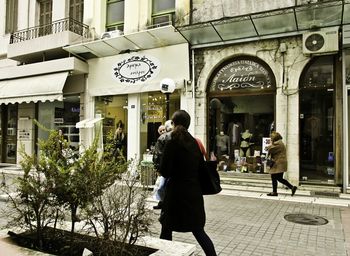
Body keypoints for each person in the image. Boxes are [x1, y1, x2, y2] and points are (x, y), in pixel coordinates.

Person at [159, 110, 217, 256]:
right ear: (188, 124)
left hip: (175, 194)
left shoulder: (171, 142)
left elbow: (165, 171)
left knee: (166, 229)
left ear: (173, 123)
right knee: (198, 230)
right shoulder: (194, 143)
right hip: (193, 192)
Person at [266, 131, 297, 197]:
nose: (271, 138)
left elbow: (270, 149)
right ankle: (291, 188)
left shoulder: (278, 144)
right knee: (278, 178)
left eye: (271, 137)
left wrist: (268, 147)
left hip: (278, 163)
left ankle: (276, 192)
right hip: (279, 163)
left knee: (276, 177)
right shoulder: (279, 143)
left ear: (275, 138)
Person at [152, 120, 174, 210]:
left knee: (163, 186)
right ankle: (162, 202)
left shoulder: (168, 138)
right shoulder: (161, 139)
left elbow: (158, 155)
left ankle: (164, 203)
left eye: (163, 130)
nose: (162, 132)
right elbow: (158, 155)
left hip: (167, 168)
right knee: (161, 186)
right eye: (160, 131)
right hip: (165, 168)